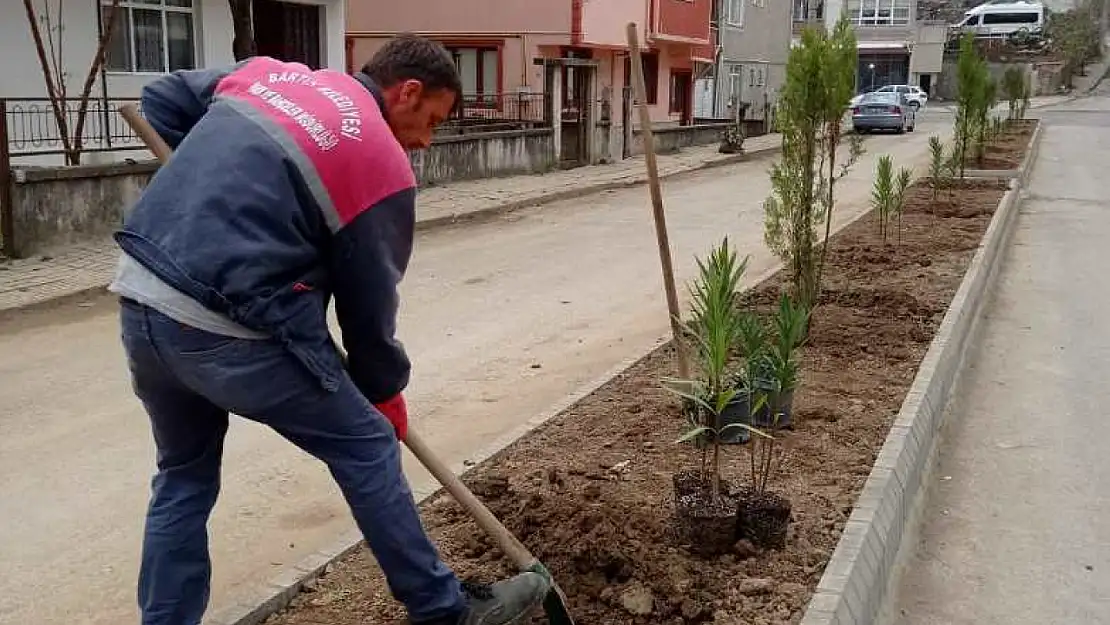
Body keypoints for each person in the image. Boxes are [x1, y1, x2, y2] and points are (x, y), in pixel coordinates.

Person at [110, 35, 549, 625]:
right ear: (407, 92)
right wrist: (385, 393)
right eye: (430, 121)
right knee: (367, 446)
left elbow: (163, 99)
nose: (424, 141)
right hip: (229, 324)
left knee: (183, 475)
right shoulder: (378, 162)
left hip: (143, 296)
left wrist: (226, 187)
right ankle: (443, 611)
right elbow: (368, 306)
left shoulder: (271, 75)